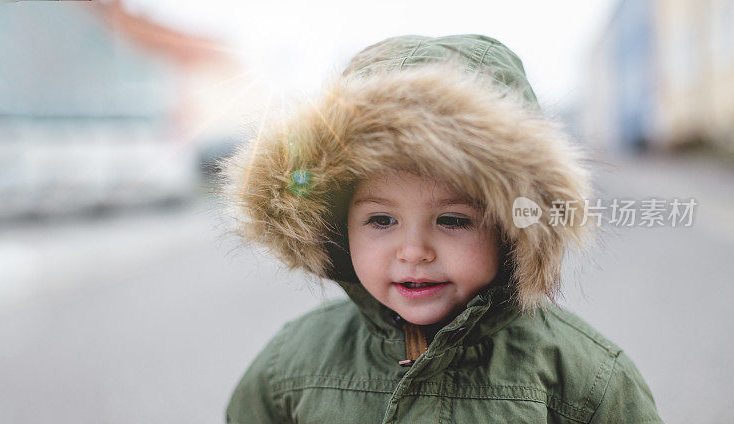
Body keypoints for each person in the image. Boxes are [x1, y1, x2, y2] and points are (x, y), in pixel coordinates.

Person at [221, 34, 662, 423]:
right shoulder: (293, 364)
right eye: (381, 220)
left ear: (513, 231)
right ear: (336, 224)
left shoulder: (582, 375)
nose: (413, 251)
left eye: (453, 220)